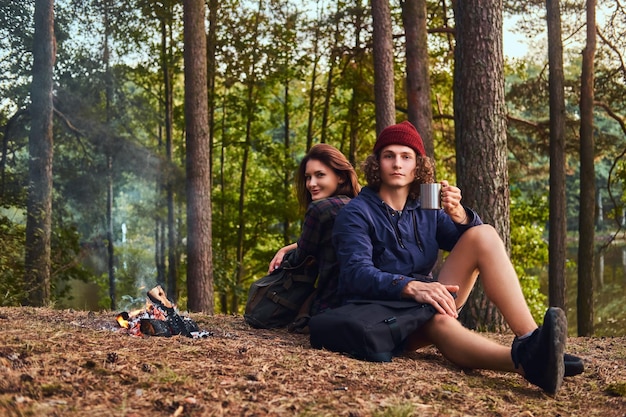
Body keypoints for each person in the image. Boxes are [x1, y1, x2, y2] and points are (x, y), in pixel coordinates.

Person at [331, 120, 583, 394]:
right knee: (439, 321)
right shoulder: (357, 212)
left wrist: (460, 215)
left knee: (483, 233)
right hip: (383, 313)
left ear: (418, 165)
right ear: (377, 163)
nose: (397, 164)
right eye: (389, 156)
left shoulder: (425, 205)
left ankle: (531, 339)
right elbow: (355, 274)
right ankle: (528, 363)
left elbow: (474, 244)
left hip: (426, 300)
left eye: (406, 156)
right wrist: (410, 286)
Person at [268, 143, 361, 319]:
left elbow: (300, 258)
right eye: (308, 177)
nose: (311, 184)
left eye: (320, 175)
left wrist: (286, 254)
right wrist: (286, 248)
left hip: (332, 305)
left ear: (340, 176)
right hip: (367, 302)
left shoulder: (321, 209)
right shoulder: (360, 205)